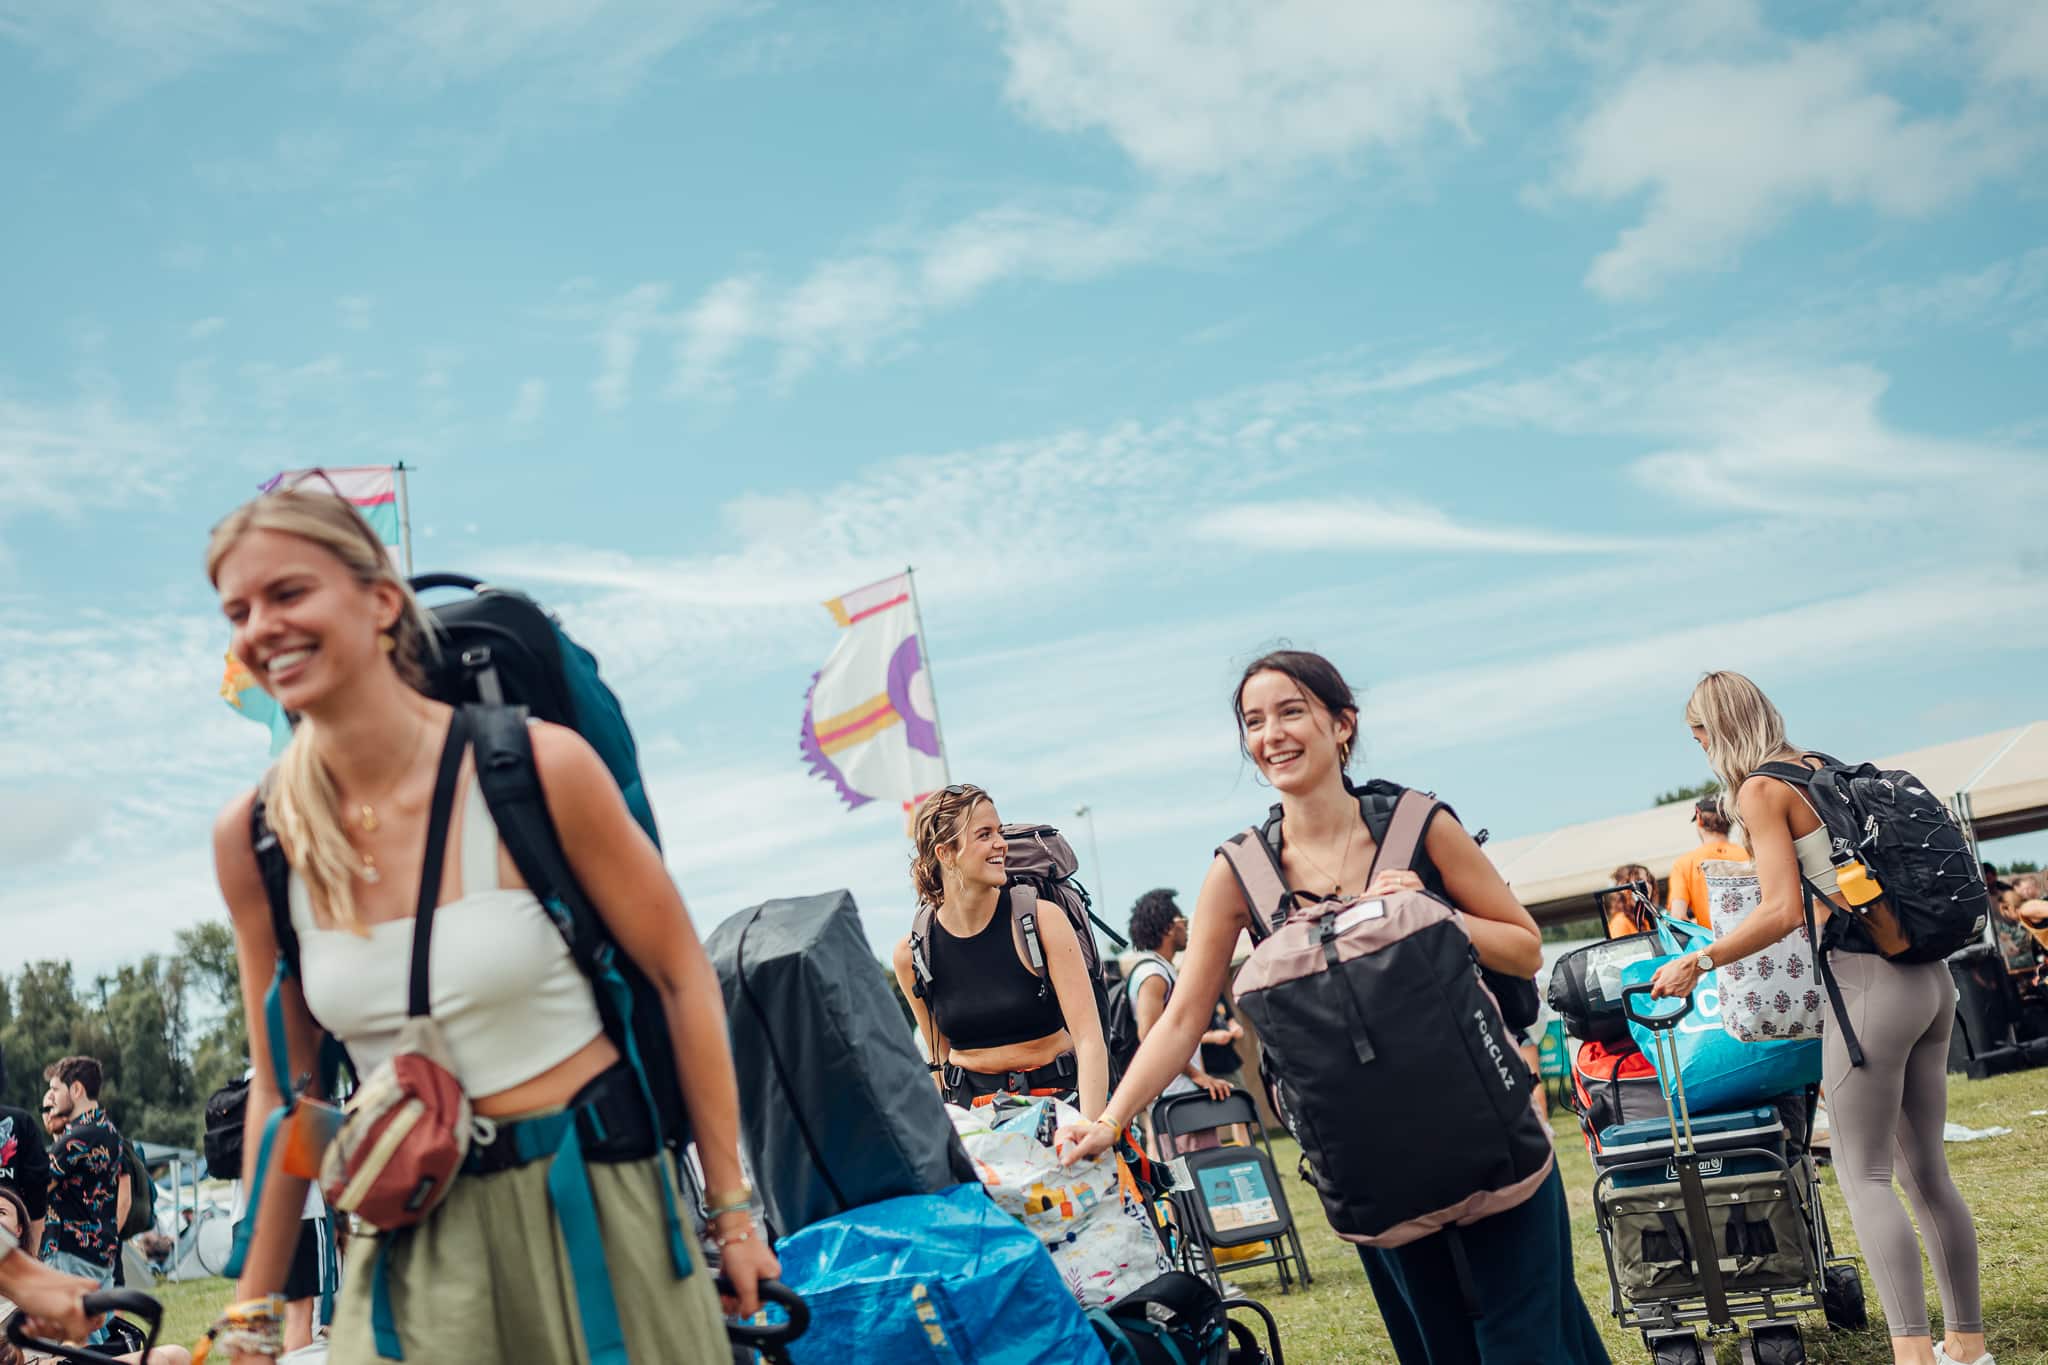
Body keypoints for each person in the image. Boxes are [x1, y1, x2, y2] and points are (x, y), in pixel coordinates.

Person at [206, 485, 774, 1364]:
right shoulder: (257, 839)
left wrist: (732, 1212)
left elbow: (678, 976)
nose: (259, 627)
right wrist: (249, 1310)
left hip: (596, 1203)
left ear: (381, 601)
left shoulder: (537, 766)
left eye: (288, 593)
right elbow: (289, 1096)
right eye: (237, 609)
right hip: (411, 1240)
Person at [1059, 649, 1608, 1365]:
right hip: (1370, 1165)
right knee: (1440, 1350)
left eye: (1291, 711)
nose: (1272, 734)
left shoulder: (1417, 823)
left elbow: (1524, 947)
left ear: (1342, 724)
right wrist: (1110, 1118)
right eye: (1254, 721)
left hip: (1487, 1135)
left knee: (1529, 1342)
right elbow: (1186, 1013)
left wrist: (1426, 908)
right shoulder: (1240, 872)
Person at [1651, 671, 1990, 1365]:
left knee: (1864, 1174)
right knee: (1928, 1172)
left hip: (1869, 986)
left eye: (1699, 735)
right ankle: (1966, 1345)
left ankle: (1914, 1355)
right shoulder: (1825, 769)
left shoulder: (1759, 790)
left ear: (1714, 732)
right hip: (1930, 980)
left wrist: (1700, 960)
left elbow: (1778, 910)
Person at [893, 784, 1109, 1117]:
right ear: (945, 853)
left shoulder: (1042, 921)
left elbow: (1090, 1041)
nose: (1001, 844)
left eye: (999, 831)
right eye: (984, 835)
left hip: (1062, 1106)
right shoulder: (914, 953)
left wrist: (1093, 1131)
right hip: (975, 1119)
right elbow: (938, 1061)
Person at [1124, 889, 1234, 1156]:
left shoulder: (1163, 970)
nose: (1186, 928)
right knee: (1191, 1179)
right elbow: (1150, 1037)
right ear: (1168, 928)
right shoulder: (1153, 974)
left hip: (1181, 1092)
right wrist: (1199, 1076)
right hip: (1174, 1097)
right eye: (1182, 921)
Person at [39, 1057, 122, 1344]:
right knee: (96, 1341)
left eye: (56, 1090)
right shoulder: (109, 1132)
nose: (52, 1098)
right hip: (101, 1255)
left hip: (70, 1254)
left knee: (77, 1345)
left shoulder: (77, 1138)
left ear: (76, 1090)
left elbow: (39, 1186)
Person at [1666, 794, 1749, 928]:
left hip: (1717, 944)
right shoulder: (1750, 854)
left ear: (1699, 819)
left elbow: (1678, 916)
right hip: (1760, 940)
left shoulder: (1684, 864)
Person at [0, 1054, 50, 1257]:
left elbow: (37, 1191)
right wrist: (32, 1254)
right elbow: (37, 1195)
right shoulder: (22, 1122)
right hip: (14, 1246)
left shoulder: (19, 1124)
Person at [1603, 862, 1660, 938]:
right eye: (1639, 880)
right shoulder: (1620, 922)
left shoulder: (1649, 919)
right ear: (1622, 888)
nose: (1647, 885)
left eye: (1649, 881)